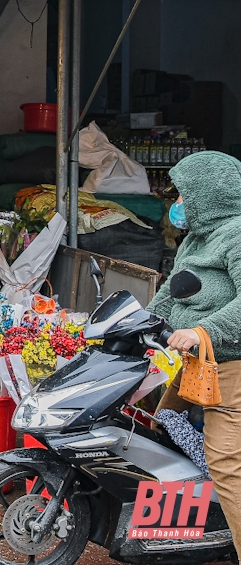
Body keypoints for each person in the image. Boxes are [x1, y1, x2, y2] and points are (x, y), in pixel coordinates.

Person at [151, 150, 241, 536]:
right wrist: (137, 324)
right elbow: (171, 295)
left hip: (228, 370)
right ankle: (185, 529)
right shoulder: (194, 240)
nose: (178, 203)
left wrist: (203, 330)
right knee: (156, 431)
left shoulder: (236, 234)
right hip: (192, 367)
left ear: (208, 194)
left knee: (225, 464)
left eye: (185, 195)